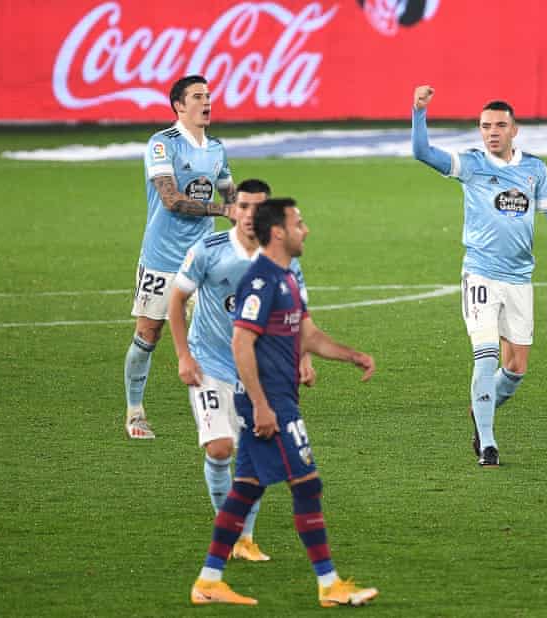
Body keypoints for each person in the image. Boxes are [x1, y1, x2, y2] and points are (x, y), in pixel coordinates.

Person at [190, 198, 379, 607]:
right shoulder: (260, 283)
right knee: (307, 485)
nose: (305, 230)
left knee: (244, 491)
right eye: (299, 223)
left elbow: (307, 336)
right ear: (278, 232)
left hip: (278, 399)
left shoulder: (288, 277)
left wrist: (352, 356)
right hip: (269, 404)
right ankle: (329, 585)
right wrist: (259, 405)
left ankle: (208, 581)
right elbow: (241, 342)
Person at [411, 85, 547, 467]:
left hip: (520, 279)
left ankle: (480, 407)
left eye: (500, 125)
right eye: (486, 126)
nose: (492, 132)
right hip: (481, 274)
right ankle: (487, 442)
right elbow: (422, 153)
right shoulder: (471, 164)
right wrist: (419, 111)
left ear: (514, 130)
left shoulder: (534, 168)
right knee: (484, 355)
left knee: (515, 368)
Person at [168, 179, 316, 563]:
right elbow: (177, 299)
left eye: (259, 208)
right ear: (232, 208)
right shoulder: (209, 250)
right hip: (209, 363)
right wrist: (184, 356)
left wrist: (303, 358)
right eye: (244, 206)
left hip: (256, 371)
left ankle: (244, 539)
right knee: (220, 449)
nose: (251, 215)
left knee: (253, 456)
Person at [123, 74, 236, 439]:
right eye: (198, 96)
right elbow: (172, 200)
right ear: (179, 105)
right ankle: (135, 411)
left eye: (208, 95)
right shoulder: (162, 144)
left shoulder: (217, 148)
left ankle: (229, 409)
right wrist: (222, 210)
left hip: (204, 258)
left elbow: (231, 195)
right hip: (161, 256)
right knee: (148, 332)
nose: (207, 102)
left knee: (220, 332)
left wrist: (247, 212)